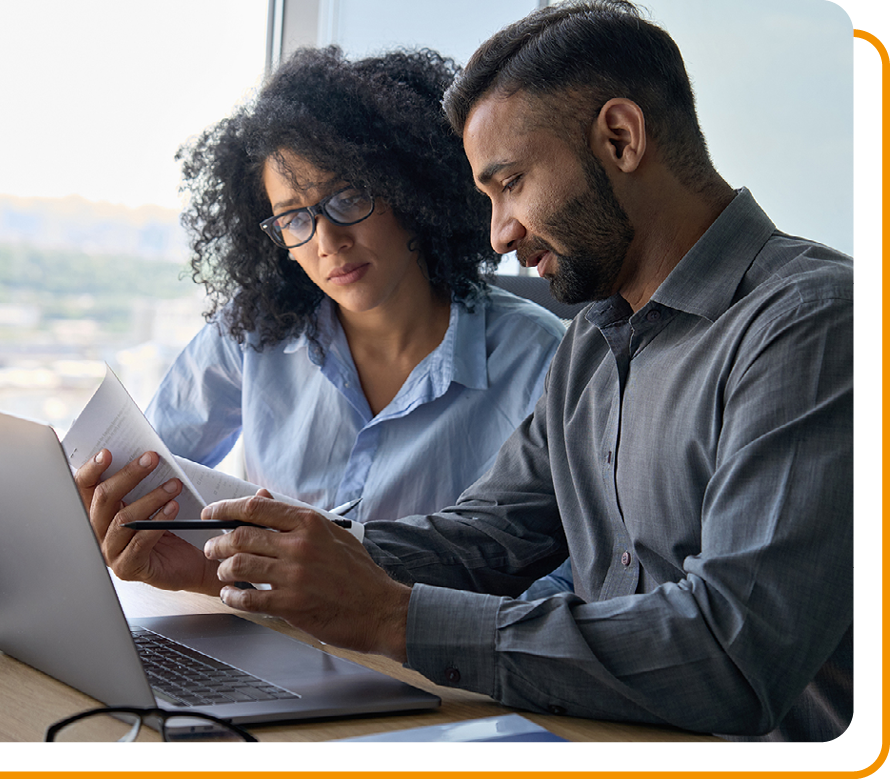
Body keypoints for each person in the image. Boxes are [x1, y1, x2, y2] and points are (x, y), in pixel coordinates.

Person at [78, 0, 852, 743]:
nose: (501, 232)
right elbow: (486, 536)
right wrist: (238, 565)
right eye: (486, 194)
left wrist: (396, 619)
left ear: (620, 138)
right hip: (592, 736)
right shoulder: (595, 341)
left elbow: (732, 653)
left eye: (511, 183)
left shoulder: (812, 322)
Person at [141, 47, 564, 525]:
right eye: (294, 217)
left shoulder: (540, 360)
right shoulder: (253, 333)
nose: (327, 241)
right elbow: (145, 467)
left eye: (347, 197)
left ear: (412, 192)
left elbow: (566, 578)